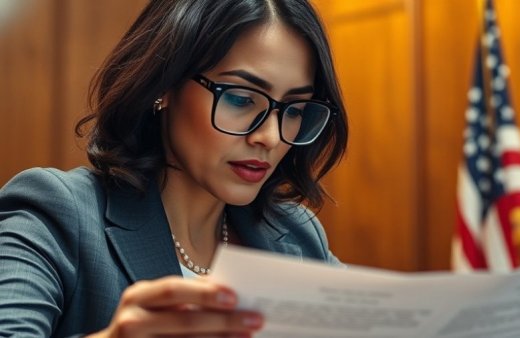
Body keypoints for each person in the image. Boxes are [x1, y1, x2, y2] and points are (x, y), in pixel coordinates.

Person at [0, 0, 348, 336]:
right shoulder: (57, 213)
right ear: (165, 86)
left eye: (295, 109)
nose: (270, 137)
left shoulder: (298, 236)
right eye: (241, 99)